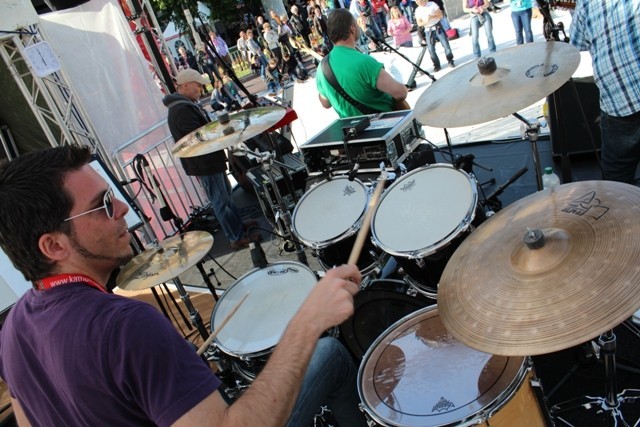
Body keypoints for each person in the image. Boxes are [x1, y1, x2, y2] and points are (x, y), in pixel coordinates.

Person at [0, 145, 368, 427]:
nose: (122, 209)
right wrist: (306, 322)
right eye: (103, 206)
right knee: (330, 354)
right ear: (54, 246)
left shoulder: (13, 330)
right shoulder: (125, 326)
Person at [163, 69, 257, 250]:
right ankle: (235, 237)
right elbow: (198, 136)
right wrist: (221, 130)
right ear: (185, 85)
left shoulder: (184, 105)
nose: (201, 89)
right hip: (204, 162)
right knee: (220, 201)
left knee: (226, 197)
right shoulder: (181, 109)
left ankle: (237, 226)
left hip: (209, 159)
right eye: (198, 85)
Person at [570, 1, 640, 184]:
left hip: (620, 99)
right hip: (621, 99)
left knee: (617, 180)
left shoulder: (586, 3)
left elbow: (576, 46)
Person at [316, 8, 408, 118]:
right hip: (385, 123)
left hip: (353, 127)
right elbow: (400, 93)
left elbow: (325, 104)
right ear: (352, 28)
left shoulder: (322, 68)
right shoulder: (364, 61)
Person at [414, 0, 454, 71]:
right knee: (431, 49)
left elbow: (440, 15)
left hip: (437, 27)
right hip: (428, 30)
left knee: (446, 45)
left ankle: (450, 60)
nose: (417, 2)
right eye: (416, 1)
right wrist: (426, 21)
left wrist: (432, 17)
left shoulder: (432, 4)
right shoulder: (417, 10)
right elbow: (419, 23)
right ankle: (436, 65)